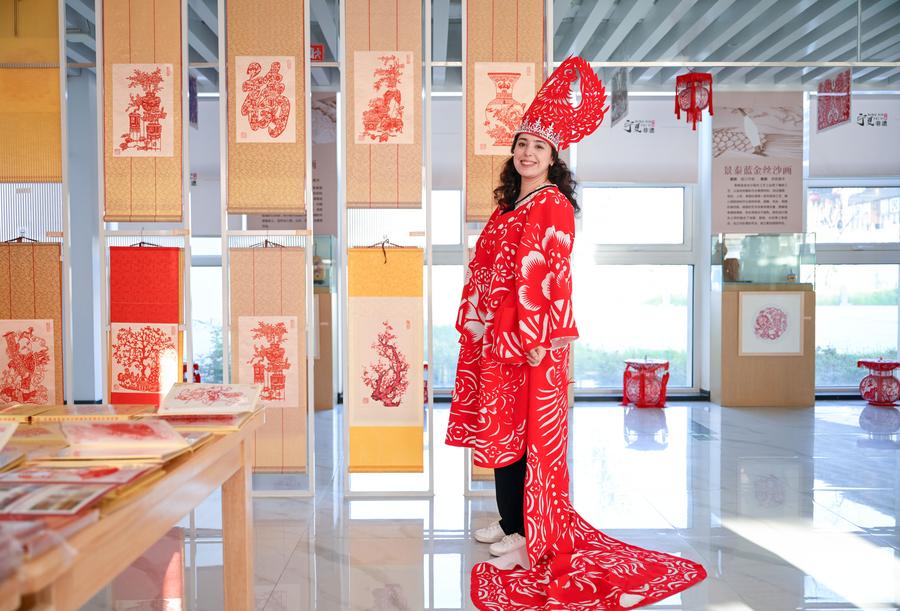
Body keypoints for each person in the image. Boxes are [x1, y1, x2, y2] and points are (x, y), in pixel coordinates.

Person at [445, 57, 707, 609]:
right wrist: (478, 321)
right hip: (497, 337)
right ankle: (510, 521)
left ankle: (527, 533)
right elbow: (486, 269)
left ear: (553, 158)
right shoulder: (507, 207)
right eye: (522, 145)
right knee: (502, 432)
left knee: (526, 437)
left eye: (538, 147)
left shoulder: (552, 205)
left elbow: (549, 277)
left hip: (529, 343)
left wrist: (533, 337)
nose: (527, 153)